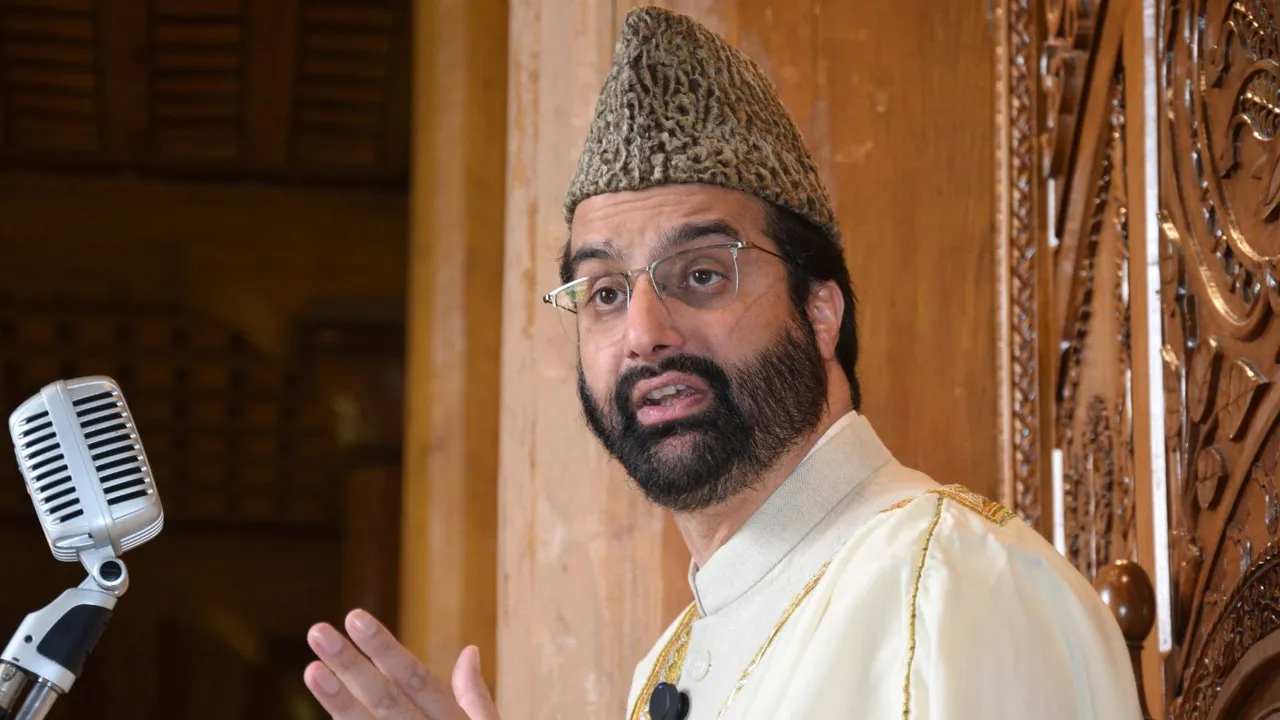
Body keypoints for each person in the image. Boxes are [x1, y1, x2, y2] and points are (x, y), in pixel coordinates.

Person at [301, 6, 1144, 719]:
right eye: (602, 294)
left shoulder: (954, 587)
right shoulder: (670, 662)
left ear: (821, 310)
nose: (643, 332)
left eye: (700, 275)